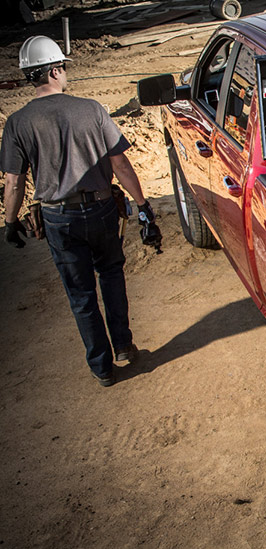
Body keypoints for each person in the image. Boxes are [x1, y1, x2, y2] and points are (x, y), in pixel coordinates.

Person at [2, 35, 151, 387]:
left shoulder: (18, 123)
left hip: (59, 219)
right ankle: (124, 346)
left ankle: (101, 368)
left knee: (81, 295)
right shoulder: (92, 109)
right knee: (112, 276)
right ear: (54, 70)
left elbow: (13, 182)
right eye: (63, 67)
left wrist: (9, 223)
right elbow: (121, 165)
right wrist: (143, 205)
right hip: (101, 210)